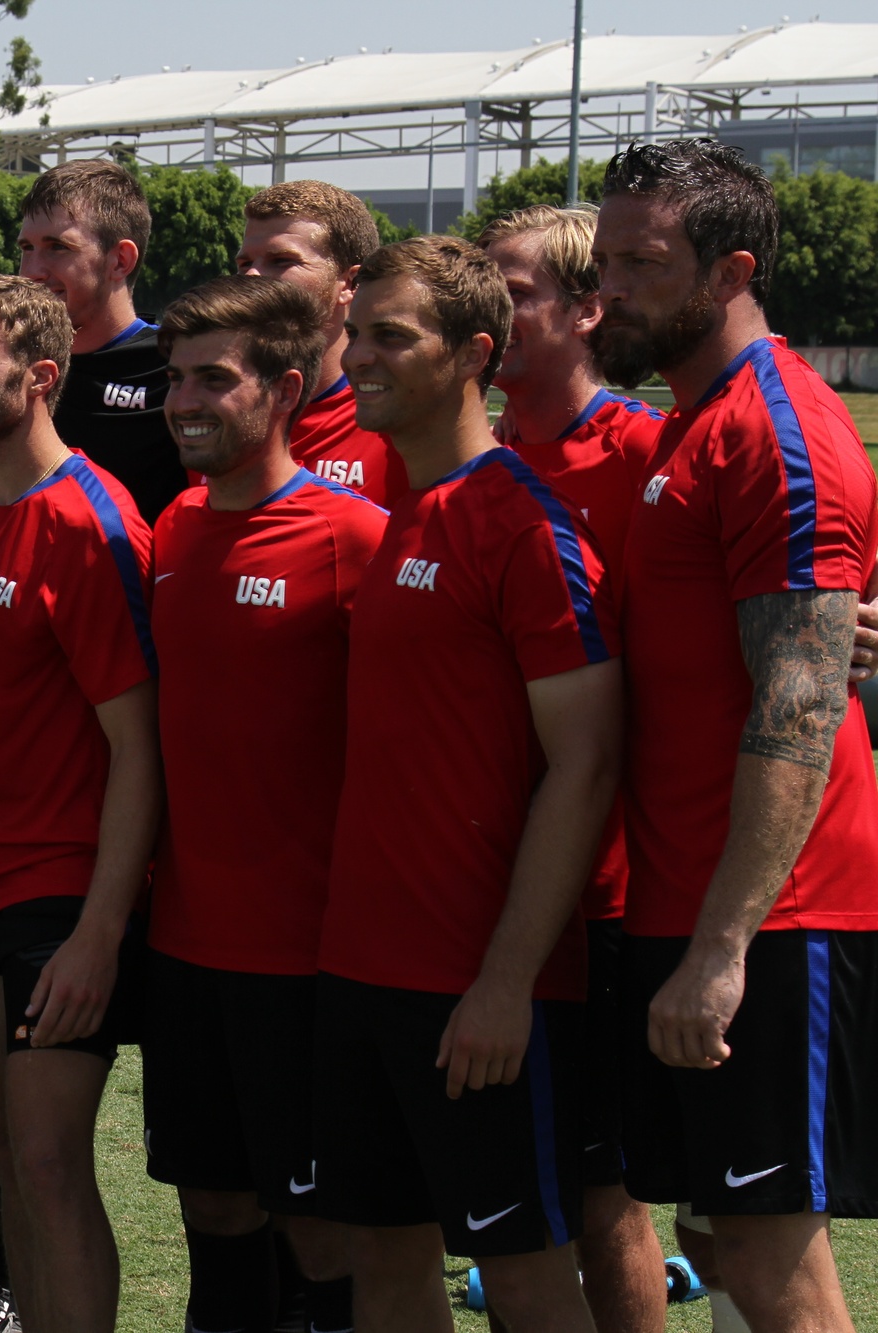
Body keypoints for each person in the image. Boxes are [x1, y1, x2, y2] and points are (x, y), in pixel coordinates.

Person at [593, 138, 878, 1333]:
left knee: (765, 1259)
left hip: (772, 917)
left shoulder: (773, 432)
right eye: (602, 261)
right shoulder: (690, 424)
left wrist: (719, 951)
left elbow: (800, 707)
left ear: (729, 271)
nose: (608, 288)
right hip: (686, 898)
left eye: (641, 264)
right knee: (717, 1233)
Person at [313, 236, 622, 1332]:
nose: (355, 357)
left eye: (388, 336)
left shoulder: (524, 524)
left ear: (473, 354)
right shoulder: (409, 512)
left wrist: (504, 981)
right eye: (354, 334)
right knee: (383, 1259)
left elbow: (586, 764)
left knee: (524, 1274)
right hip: (361, 970)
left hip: (480, 990)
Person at [0, 272, 161, 1333]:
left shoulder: (92, 524)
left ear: (41, 376)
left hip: (56, 905)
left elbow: (139, 750)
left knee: (53, 1166)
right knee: (13, 1164)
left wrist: (101, 935)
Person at [143, 275, 383, 1333]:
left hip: (312, 957)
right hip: (187, 943)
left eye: (213, 378)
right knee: (213, 1203)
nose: (183, 400)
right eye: (173, 378)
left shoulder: (358, 538)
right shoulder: (172, 528)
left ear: (285, 388)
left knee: (319, 1223)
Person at [480, 202, 670, 1333]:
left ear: (585, 307)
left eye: (507, 293)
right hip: (478, 885)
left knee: (604, 1202)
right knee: (513, 1209)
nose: (485, 315)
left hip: (602, 894)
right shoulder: (468, 459)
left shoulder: (650, 457)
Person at [18, 159, 184, 524]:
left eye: (57, 247)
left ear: (120, 261)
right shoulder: (9, 365)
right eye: (26, 248)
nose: (32, 271)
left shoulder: (175, 367)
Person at [236, 180, 408, 508]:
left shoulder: (402, 424)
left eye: (281, 260)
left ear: (350, 283)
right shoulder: (213, 408)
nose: (252, 277)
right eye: (245, 264)